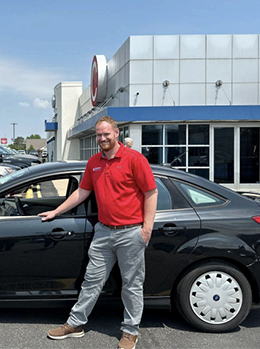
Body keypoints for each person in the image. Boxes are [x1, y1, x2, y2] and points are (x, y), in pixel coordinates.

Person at [39, 116, 157, 349]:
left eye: (106, 134)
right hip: (103, 232)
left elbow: (151, 193)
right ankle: (75, 324)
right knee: (91, 281)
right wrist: (56, 211)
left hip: (130, 232)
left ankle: (130, 331)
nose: (102, 138)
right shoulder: (94, 162)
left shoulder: (135, 159)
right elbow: (82, 193)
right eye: (99, 135)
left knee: (132, 284)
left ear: (116, 133)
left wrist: (146, 228)